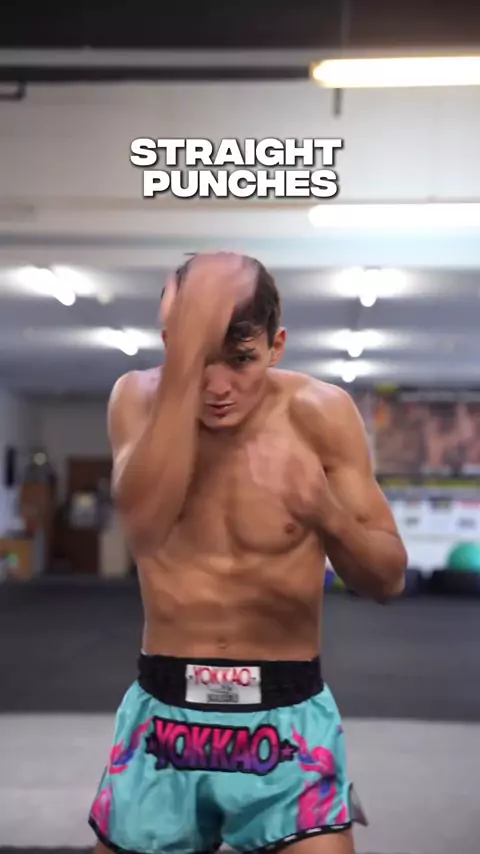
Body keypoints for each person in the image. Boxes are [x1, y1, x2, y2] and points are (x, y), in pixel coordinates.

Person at [88, 252, 407, 854]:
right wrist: (185, 358)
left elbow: (388, 580)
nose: (217, 387)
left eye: (240, 360)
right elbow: (143, 521)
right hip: (163, 716)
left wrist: (326, 513)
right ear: (171, 344)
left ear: (276, 346)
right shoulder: (136, 399)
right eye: (199, 360)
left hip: (287, 716)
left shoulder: (320, 413)